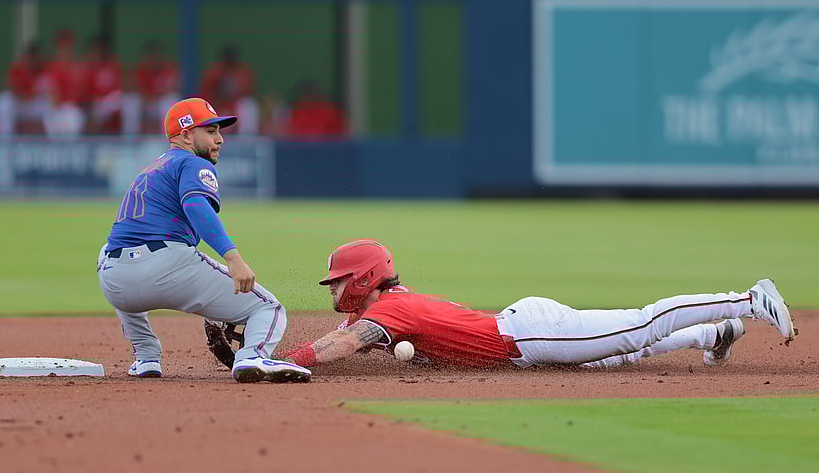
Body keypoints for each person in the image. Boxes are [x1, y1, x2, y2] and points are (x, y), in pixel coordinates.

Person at [278, 240, 796, 371]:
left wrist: (282, 361)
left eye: (338, 280)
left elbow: (341, 344)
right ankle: (713, 333)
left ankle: (749, 299)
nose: (332, 289)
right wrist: (243, 344)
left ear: (363, 277)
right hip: (526, 338)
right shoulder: (384, 304)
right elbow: (349, 329)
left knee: (637, 327)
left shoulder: (387, 313)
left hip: (528, 334)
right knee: (623, 356)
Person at [96, 97, 310, 383]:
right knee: (267, 308)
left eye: (219, 131)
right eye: (210, 131)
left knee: (107, 253)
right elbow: (197, 206)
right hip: (167, 267)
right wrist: (232, 258)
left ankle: (146, 357)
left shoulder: (150, 169)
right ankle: (252, 356)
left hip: (115, 280)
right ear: (185, 135)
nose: (219, 139)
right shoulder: (193, 164)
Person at [121, 40, 179, 135]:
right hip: (145, 104)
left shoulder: (169, 69)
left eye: (157, 55)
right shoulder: (140, 70)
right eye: (151, 56)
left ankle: (167, 138)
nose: (154, 59)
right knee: (131, 101)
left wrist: (155, 97)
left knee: (170, 101)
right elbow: (129, 87)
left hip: (159, 104)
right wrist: (145, 97)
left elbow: (173, 89)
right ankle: (130, 138)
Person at [200, 45, 258, 135]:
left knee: (248, 105)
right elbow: (207, 95)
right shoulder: (214, 72)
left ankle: (246, 142)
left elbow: (246, 92)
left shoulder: (241, 72)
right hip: (217, 107)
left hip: (235, 107)